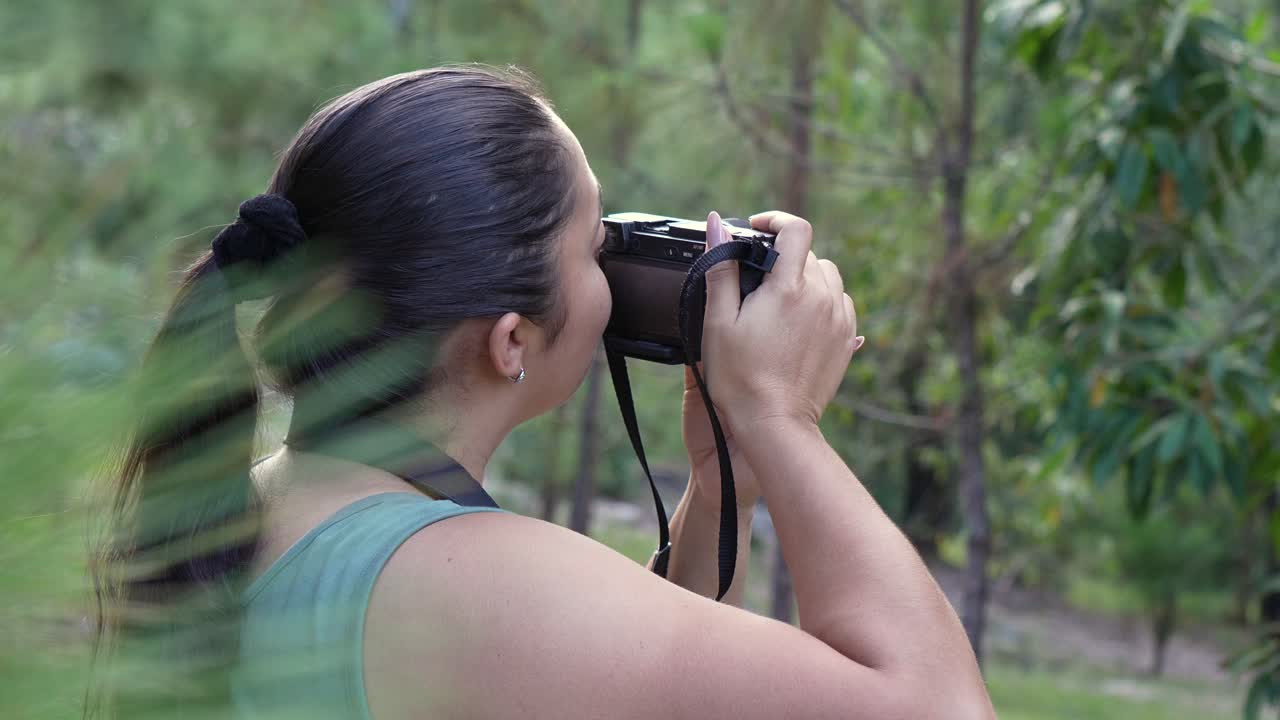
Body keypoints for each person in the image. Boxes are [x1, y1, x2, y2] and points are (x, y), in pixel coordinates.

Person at [91, 65, 995, 720]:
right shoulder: (471, 581)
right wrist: (779, 417)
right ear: (511, 340)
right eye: (596, 241)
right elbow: (939, 707)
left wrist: (722, 489)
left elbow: (608, 675)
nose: (614, 268)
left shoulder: (246, 505)